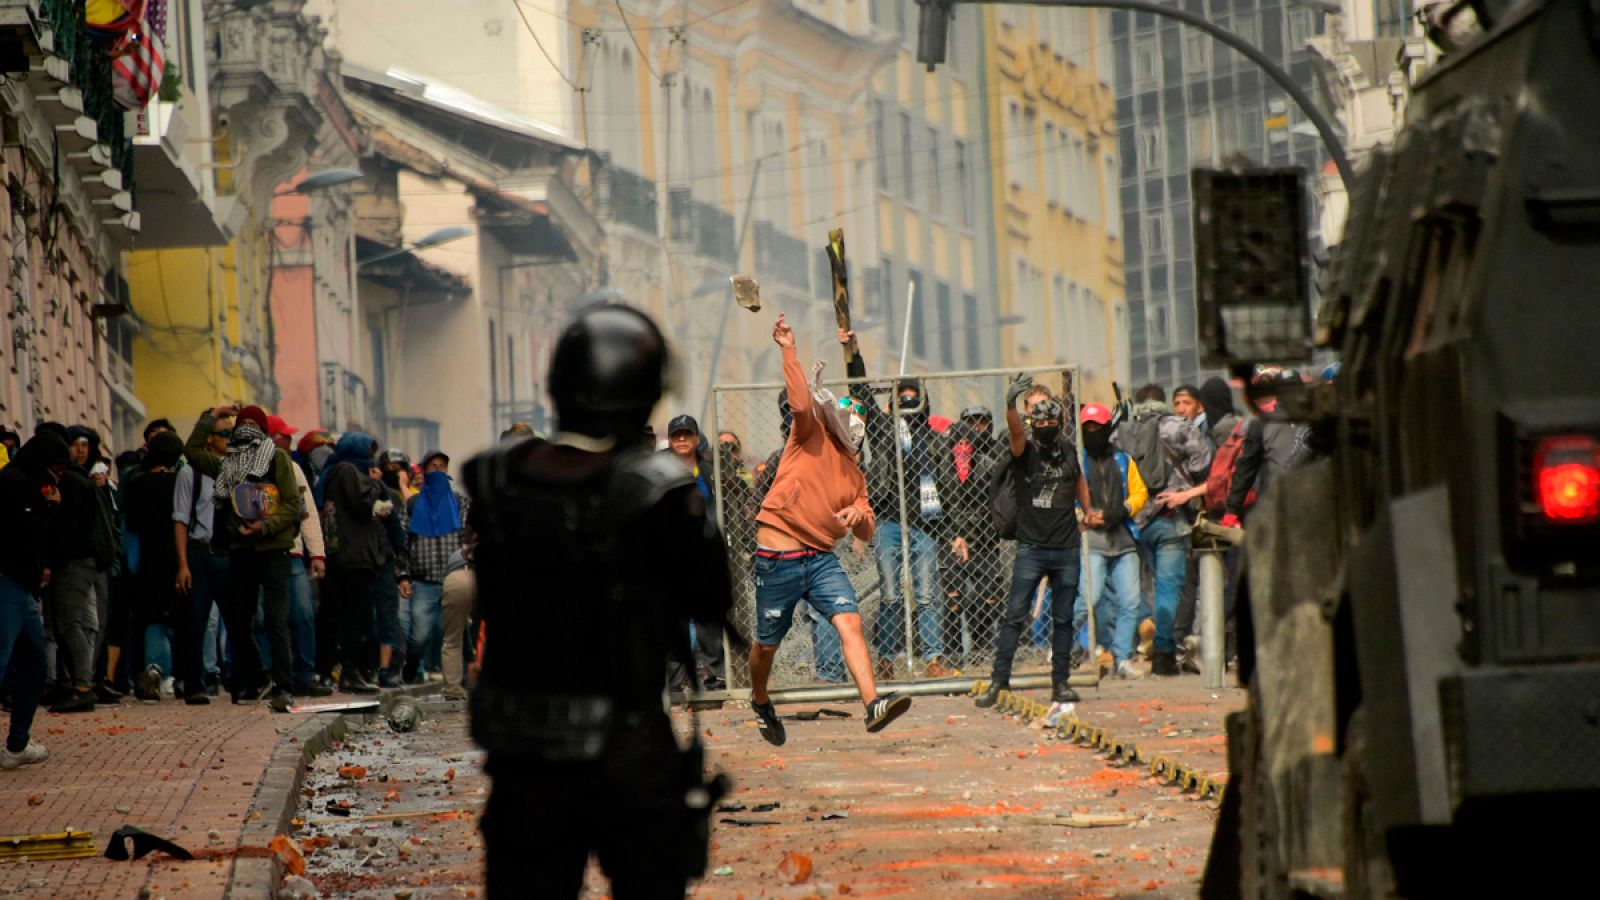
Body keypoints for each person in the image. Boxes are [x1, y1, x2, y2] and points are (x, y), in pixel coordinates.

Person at [466, 303, 736, 896]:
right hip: (628, 745)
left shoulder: (496, 480)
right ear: (643, 398)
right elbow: (713, 596)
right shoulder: (659, 492)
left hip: (523, 749)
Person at [747, 313, 911, 746]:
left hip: (820, 559)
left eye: (857, 421)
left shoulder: (855, 472)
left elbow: (867, 533)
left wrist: (860, 519)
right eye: (847, 415)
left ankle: (873, 703)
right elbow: (800, 402)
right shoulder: (808, 434)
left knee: (850, 622)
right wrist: (788, 347)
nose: (851, 424)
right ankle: (761, 700)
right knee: (766, 645)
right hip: (778, 555)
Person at [976, 380, 1095, 709]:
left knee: (1064, 619)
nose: (1043, 427)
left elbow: (1079, 479)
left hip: (1066, 546)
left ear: (1059, 423)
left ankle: (1061, 684)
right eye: (1038, 422)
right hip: (1032, 547)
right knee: (1015, 616)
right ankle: (999, 683)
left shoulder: (1069, 450)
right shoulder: (1024, 451)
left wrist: (1088, 510)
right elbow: (1016, 432)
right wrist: (1011, 402)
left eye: (1049, 422)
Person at [842, 330, 951, 679]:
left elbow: (949, 490)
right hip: (889, 520)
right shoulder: (886, 433)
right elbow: (860, 394)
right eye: (901, 397)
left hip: (926, 526)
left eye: (912, 397)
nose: (907, 402)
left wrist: (954, 532)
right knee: (890, 594)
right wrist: (853, 354)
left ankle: (933, 659)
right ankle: (886, 659)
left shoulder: (935, 441)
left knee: (927, 595)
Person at [181, 405, 303, 709]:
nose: (247, 429)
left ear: (262, 430)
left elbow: (291, 505)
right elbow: (193, 450)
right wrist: (211, 414)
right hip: (239, 551)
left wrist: (265, 526)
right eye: (241, 424)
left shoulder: (277, 459)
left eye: (253, 424)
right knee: (238, 621)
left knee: (276, 620)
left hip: (273, 550)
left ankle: (283, 687)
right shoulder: (226, 465)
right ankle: (251, 680)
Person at [1115, 385, 1213, 676]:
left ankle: (1143, 627)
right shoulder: (1179, 427)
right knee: (1169, 588)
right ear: (1163, 401)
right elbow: (1203, 466)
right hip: (1172, 516)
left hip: (1133, 520)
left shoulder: (1123, 430)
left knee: (1136, 588)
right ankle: (1164, 653)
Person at [0, 433, 70, 769]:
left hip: (23, 588)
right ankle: (16, 744)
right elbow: (25, 528)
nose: (58, 475)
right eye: (57, 466)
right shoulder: (13, 482)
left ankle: (17, 744)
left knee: (35, 665)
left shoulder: (27, 481)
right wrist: (50, 508)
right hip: (7, 584)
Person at [45, 425, 118, 713]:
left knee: (70, 623)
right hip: (94, 562)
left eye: (85, 444)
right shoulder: (85, 482)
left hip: (76, 562)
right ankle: (84, 681)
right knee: (87, 624)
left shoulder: (71, 483)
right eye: (75, 444)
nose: (81, 450)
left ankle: (81, 685)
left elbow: (67, 528)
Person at [1075, 403, 1149, 680]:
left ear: (1108, 429)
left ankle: (1122, 658)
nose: (1093, 432)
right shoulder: (1078, 461)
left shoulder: (1123, 460)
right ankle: (1066, 648)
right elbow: (1068, 495)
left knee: (1130, 602)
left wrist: (1125, 509)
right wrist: (1082, 515)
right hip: (1091, 540)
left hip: (1123, 539)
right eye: (1088, 428)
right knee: (1088, 600)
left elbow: (1140, 492)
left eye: (1097, 427)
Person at [313, 433, 391, 694]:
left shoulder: (337, 471)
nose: (370, 461)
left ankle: (337, 671)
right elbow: (362, 503)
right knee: (355, 619)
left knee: (339, 617)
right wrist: (376, 483)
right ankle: (348, 672)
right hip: (352, 558)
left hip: (346, 555)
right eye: (368, 454)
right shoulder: (347, 471)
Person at [934, 406, 1007, 666]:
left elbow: (992, 504)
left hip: (984, 538)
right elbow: (944, 506)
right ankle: (953, 656)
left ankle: (981, 649)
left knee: (986, 596)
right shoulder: (943, 467)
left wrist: (972, 533)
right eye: (959, 442)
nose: (964, 447)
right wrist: (956, 535)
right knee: (953, 597)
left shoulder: (987, 464)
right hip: (952, 540)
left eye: (968, 442)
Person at [267, 417, 331, 697]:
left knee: (303, 614)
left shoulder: (293, 469)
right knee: (265, 618)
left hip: (293, 553)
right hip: (261, 555)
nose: (289, 442)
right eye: (284, 437)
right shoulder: (246, 468)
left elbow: (307, 514)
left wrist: (317, 553)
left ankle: (305, 674)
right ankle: (270, 675)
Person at [174, 415, 232, 699]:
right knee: (196, 620)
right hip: (200, 551)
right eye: (224, 434)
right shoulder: (192, 472)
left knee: (236, 620)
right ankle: (194, 683)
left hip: (228, 554)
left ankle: (239, 681)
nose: (229, 440)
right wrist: (183, 564)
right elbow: (180, 519)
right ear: (210, 437)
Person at [124, 433, 185, 702]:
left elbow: (131, 524)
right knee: (180, 617)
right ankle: (178, 675)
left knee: (151, 617)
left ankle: (153, 667)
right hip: (177, 555)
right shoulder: (180, 483)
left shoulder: (137, 483)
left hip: (147, 556)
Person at [403, 451, 468, 684]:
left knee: (452, 633)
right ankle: (411, 668)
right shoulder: (412, 504)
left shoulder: (459, 501)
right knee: (419, 636)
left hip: (454, 577)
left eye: (442, 466)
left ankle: (455, 681)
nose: (438, 470)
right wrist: (403, 575)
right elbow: (403, 541)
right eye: (433, 466)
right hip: (423, 580)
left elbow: (467, 537)